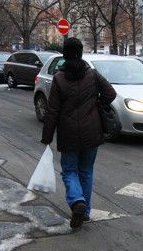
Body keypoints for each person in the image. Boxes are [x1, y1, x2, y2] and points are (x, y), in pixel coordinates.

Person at [41, 37, 116, 230]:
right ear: (81, 53)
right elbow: (111, 93)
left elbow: (53, 110)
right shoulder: (92, 75)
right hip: (92, 131)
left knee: (69, 171)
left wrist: (47, 136)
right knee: (86, 171)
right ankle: (86, 211)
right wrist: (97, 104)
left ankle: (76, 201)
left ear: (64, 54)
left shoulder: (59, 78)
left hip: (68, 133)